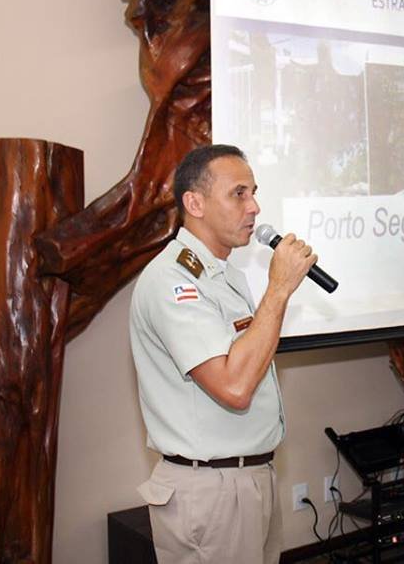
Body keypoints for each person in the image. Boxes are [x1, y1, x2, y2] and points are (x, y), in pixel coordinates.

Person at [129, 145, 316, 564]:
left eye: (253, 192)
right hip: (210, 491)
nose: (254, 206)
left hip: (250, 477)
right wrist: (280, 288)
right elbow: (234, 386)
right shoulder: (174, 281)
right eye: (238, 194)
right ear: (194, 203)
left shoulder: (223, 274)